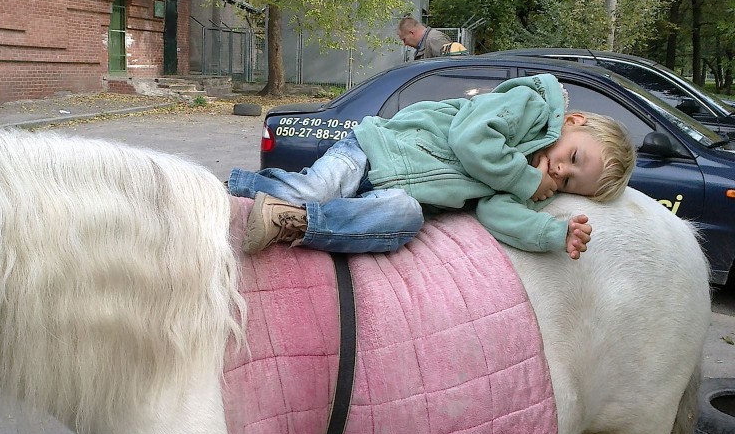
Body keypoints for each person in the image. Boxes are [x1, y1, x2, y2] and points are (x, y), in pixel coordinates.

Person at [229, 73, 636, 259]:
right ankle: (229, 189)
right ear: (572, 122)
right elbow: (470, 136)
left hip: (391, 193)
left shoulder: (527, 183)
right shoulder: (530, 105)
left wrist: (552, 230)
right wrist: (526, 178)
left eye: (570, 183)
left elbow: (496, 213)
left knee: (405, 221)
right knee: (316, 189)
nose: (562, 172)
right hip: (374, 149)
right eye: (575, 157)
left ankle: (295, 222)